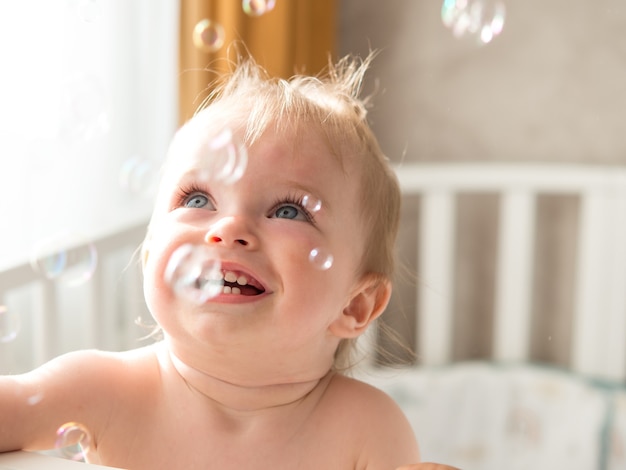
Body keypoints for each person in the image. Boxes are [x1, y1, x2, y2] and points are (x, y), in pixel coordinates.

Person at [0, 53, 458, 470]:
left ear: (355, 305)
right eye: (198, 197)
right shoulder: (99, 390)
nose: (229, 228)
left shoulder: (367, 427)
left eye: (288, 211)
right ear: (149, 254)